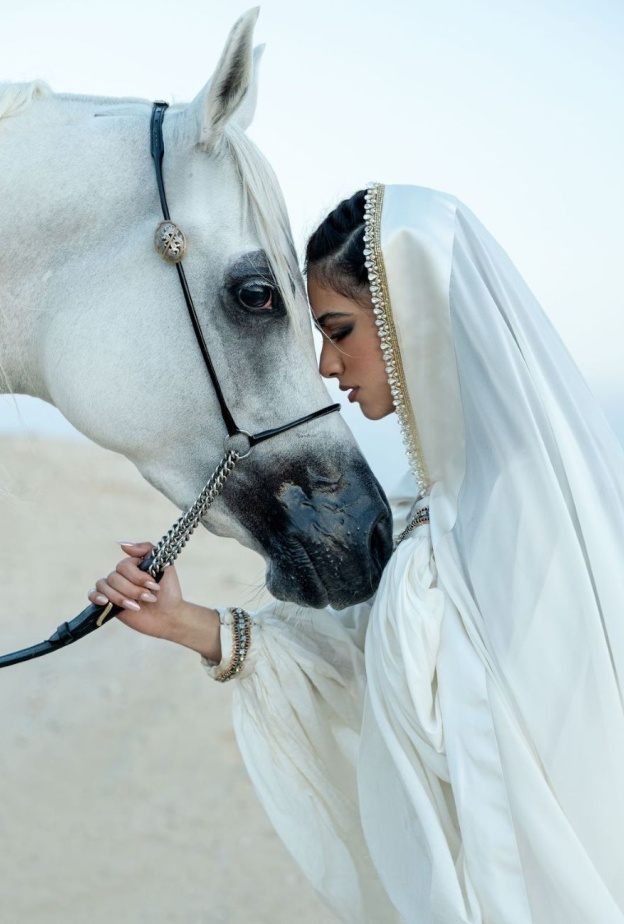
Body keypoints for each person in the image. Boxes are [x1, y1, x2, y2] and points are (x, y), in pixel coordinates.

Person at [88, 183, 624, 924]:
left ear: (417, 321)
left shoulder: (528, 507)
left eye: (338, 330)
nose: (326, 366)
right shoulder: (443, 497)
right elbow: (383, 660)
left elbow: (549, 758)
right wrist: (186, 623)